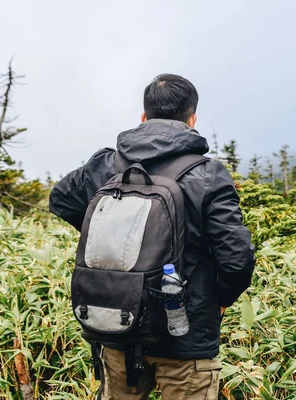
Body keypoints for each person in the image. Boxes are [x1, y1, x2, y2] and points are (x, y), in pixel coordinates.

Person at [49, 73, 256, 399]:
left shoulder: (107, 165)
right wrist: (220, 302)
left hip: (119, 324)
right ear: (192, 119)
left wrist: (113, 238)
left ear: (144, 117)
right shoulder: (208, 174)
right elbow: (237, 257)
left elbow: (61, 198)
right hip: (187, 337)